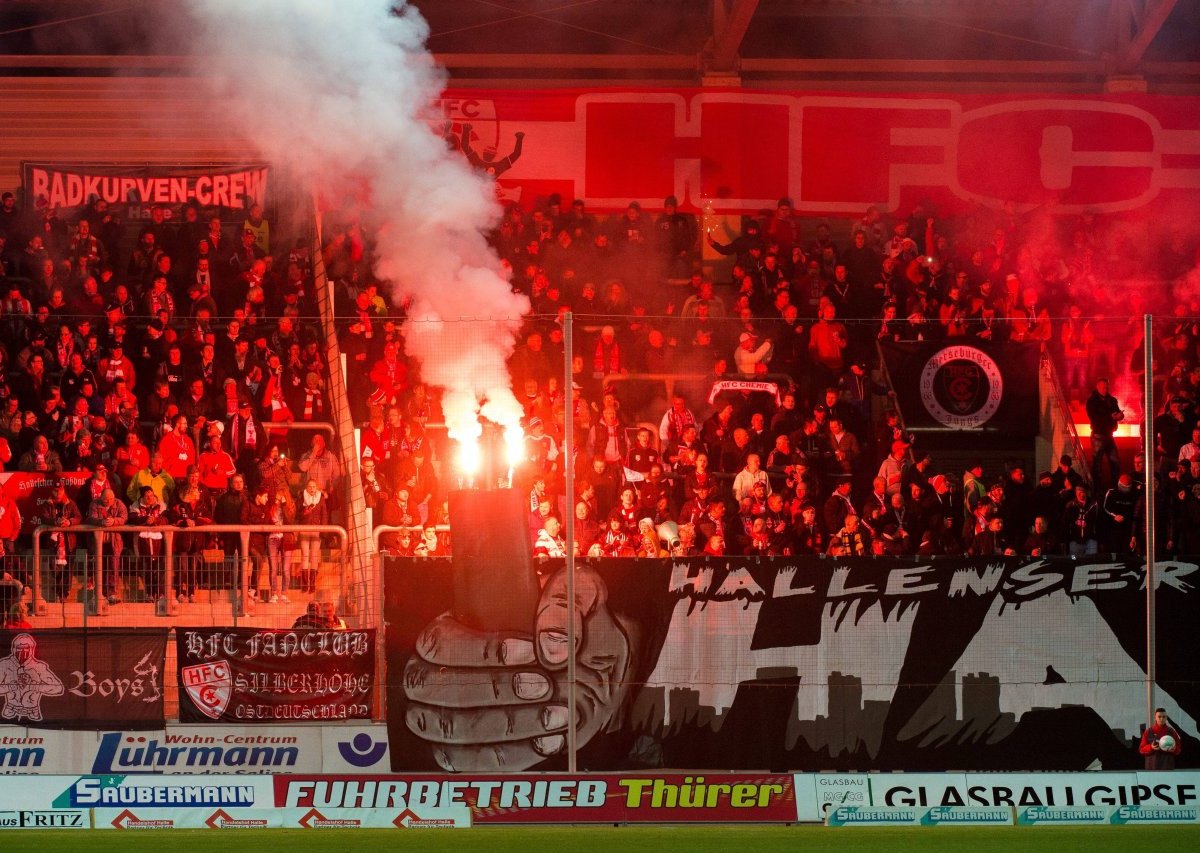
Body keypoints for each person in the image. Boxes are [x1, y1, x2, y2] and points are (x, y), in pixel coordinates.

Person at [1085, 377, 1123, 490]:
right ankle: (1096, 489)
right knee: (1097, 464)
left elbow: (1118, 412)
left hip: (1109, 435)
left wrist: (1120, 416)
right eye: (1102, 387)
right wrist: (1110, 417)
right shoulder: (1092, 402)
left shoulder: (1112, 400)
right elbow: (1094, 418)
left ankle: (1115, 486)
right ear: (1097, 387)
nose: (1105, 389)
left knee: (1115, 461)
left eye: (1106, 387)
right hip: (1098, 436)